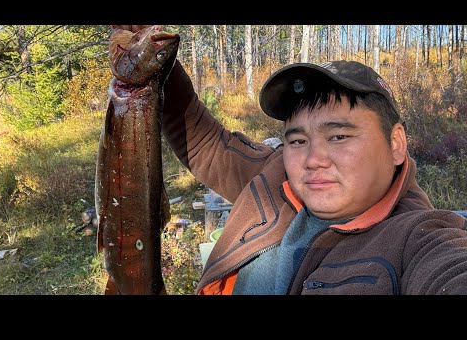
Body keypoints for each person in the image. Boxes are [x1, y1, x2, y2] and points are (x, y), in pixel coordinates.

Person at [112, 25, 467, 295]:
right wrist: (149, 70)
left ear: (396, 144)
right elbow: (205, 140)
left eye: (338, 136)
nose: (313, 159)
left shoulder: (422, 236)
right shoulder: (274, 175)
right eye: (297, 139)